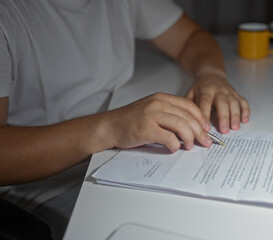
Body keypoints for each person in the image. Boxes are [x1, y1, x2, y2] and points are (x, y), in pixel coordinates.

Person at [0, 0, 250, 239]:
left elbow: (191, 38)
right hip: (50, 187)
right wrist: (111, 127)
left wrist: (211, 73)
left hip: (127, 161)